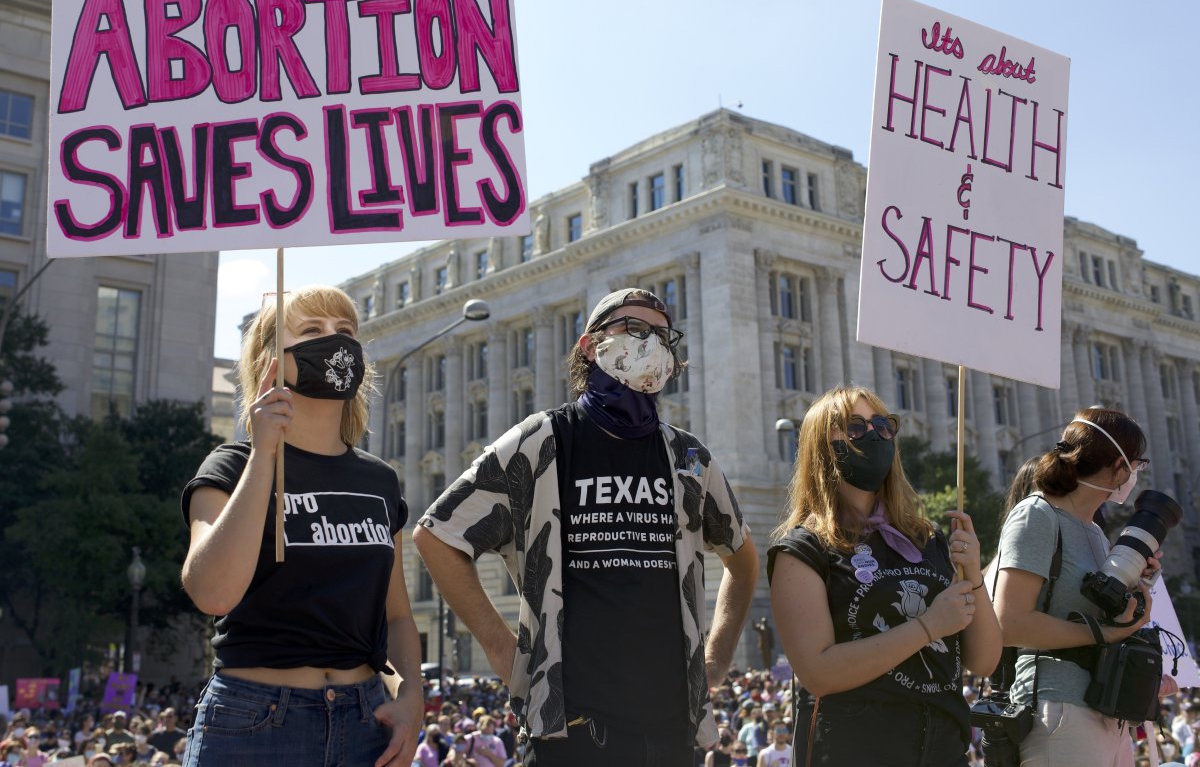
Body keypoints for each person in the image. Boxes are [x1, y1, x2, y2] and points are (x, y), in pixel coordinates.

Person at [414, 287, 759, 766]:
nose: (650, 343)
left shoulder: (688, 457)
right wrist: (501, 651)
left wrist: (717, 658)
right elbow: (436, 535)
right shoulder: (542, 440)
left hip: (670, 733)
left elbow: (742, 560)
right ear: (588, 345)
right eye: (632, 329)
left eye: (662, 335)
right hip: (569, 734)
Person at [180, 285, 423, 766]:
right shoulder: (229, 467)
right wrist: (265, 455)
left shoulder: (379, 480)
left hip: (365, 722)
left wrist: (413, 697)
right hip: (255, 724)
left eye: (345, 331)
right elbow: (212, 593)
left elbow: (395, 615)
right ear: (270, 359)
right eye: (312, 330)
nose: (334, 340)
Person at [768, 385, 1001, 767]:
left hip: (944, 750)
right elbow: (818, 672)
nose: (875, 435)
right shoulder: (803, 550)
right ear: (822, 446)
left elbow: (984, 660)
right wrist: (927, 627)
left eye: (884, 425)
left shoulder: (927, 539)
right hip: (855, 751)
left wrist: (974, 574)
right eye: (856, 427)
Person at [994, 407, 1158, 767]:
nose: (1135, 477)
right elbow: (1009, 624)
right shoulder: (1037, 514)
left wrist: (1138, 587)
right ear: (1119, 466)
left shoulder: (1096, 532)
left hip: (1106, 708)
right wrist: (1104, 634)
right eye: (1137, 465)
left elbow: (1098, 613)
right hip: (1059, 709)